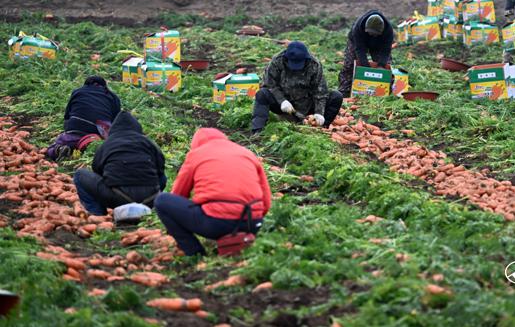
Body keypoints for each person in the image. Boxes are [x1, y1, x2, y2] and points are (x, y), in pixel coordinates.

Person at [154, 128, 272, 256]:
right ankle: (239, 239)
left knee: (162, 200)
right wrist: (250, 219)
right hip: (252, 223)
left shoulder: (197, 154)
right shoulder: (247, 153)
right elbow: (266, 200)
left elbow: (179, 193)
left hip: (217, 224)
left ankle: (195, 253)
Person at [73, 111, 166, 216]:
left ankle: (98, 215)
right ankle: (152, 211)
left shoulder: (106, 144)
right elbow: (160, 168)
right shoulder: (149, 143)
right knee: (163, 177)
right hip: (150, 198)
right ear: (137, 128)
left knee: (79, 175)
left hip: (119, 198)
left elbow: (97, 170)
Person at [252, 41, 343, 133]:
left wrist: (319, 113)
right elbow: (269, 84)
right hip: (283, 105)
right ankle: (257, 131)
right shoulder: (277, 61)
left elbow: (320, 91)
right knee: (262, 94)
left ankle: (321, 128)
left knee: (336, 96)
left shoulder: (314, 64)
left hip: (307, 104)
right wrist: (282, 100)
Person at [46, 76, 121, 161]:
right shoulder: (113, 96)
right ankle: (89, 145)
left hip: (76, 126)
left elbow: (67, 116)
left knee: (56, 145)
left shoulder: (78, 91)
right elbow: (116, 120)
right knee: (98, 143)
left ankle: (59, 149)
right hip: (99, 130)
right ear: (104, 86)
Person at [338, 10, 394, 96]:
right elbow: (359, 49)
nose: (372, 35)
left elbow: (386, 50)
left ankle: (386, 90)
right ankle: (344, 91)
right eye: (370, 33)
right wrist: (365, 66)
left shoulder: (388, 31)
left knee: (386, 66)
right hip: (357, 42)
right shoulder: (358, 28)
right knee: (349, 65)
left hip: (378, 44)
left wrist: (381, 65)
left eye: (375, 34)